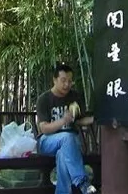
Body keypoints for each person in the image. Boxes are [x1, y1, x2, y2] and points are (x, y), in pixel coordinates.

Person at [36, 63, 97, 194]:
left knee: (63, 154)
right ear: (54, 80)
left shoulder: (74, 96)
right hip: (47, 142)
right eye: (63, 80)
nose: (67, 85)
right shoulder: (44, 99)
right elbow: (44, 129)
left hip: (70, 144)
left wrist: (95, 119)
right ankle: (82, 182)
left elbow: (80, 120)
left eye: (70, 81)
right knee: (67, 138)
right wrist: (63, 120)